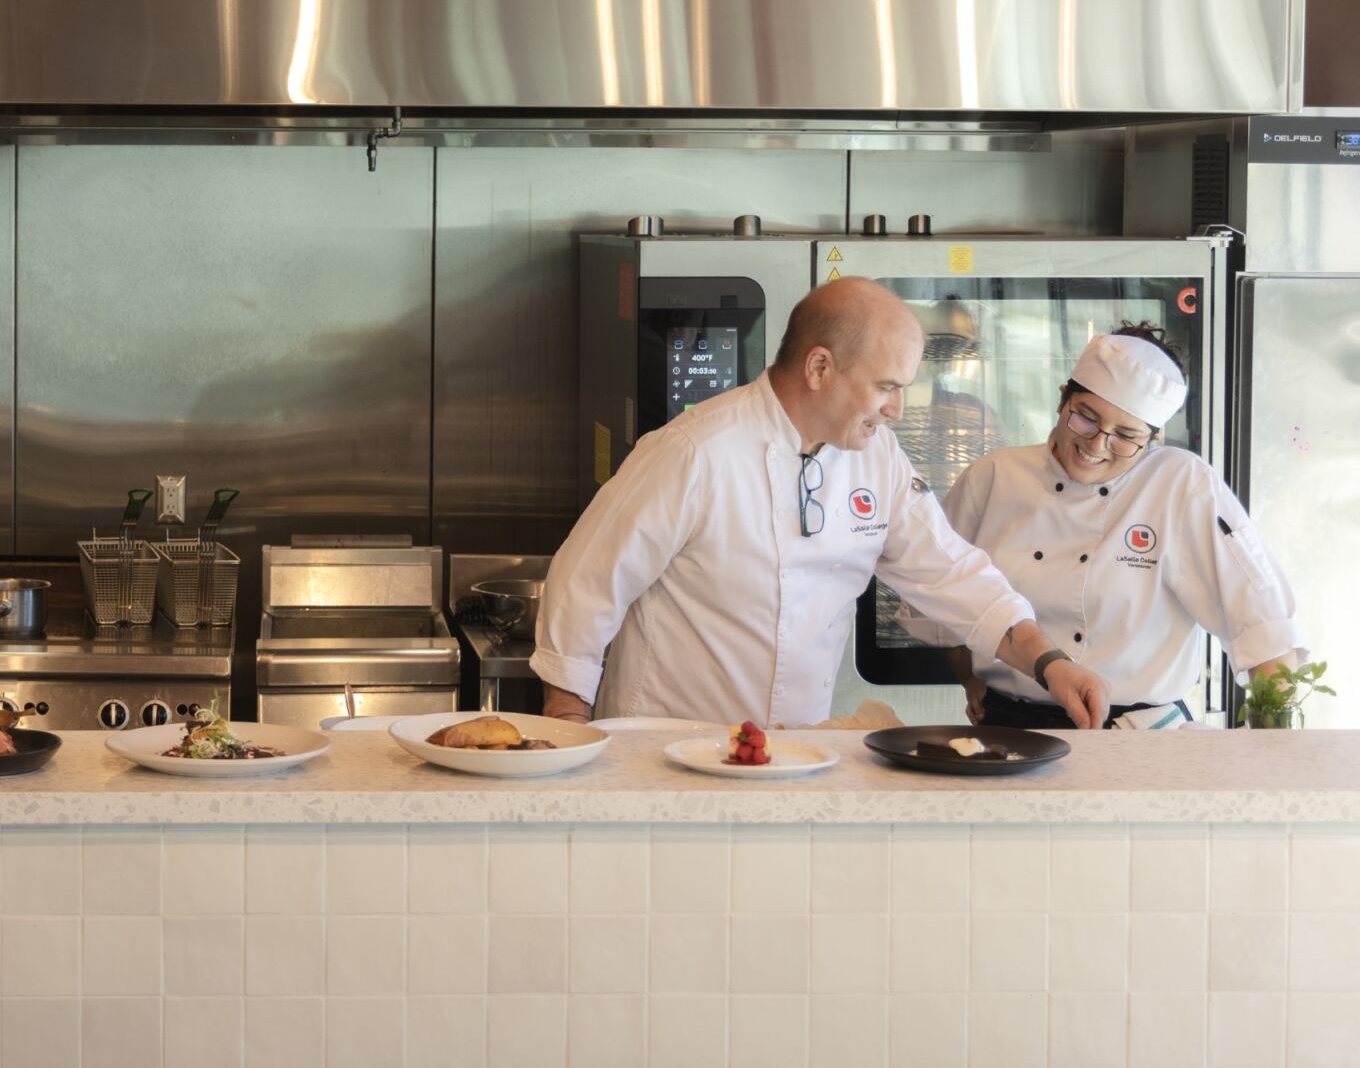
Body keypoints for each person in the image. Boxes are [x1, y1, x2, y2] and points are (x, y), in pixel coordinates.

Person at [533, 277, 1110, 728]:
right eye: (887, 387)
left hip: (793, 758)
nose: (898, 411)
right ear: (819, 367)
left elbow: (952, 573)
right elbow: (587, 582)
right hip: (665, 751)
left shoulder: (876, 459)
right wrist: (567, 722)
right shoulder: (695, 451)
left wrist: (1049, 662)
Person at [926, 324, 1304, 730]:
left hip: (1139, 736)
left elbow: (1265, 623)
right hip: (1013, 727)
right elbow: (940, 592)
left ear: (1152, 440)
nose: (1097, 445)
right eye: (1086, 419)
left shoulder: (1180, 483)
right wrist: (969, 677)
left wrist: (1273, 744)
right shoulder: (995, 476)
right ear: (1062, 400)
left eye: (1125, 436)